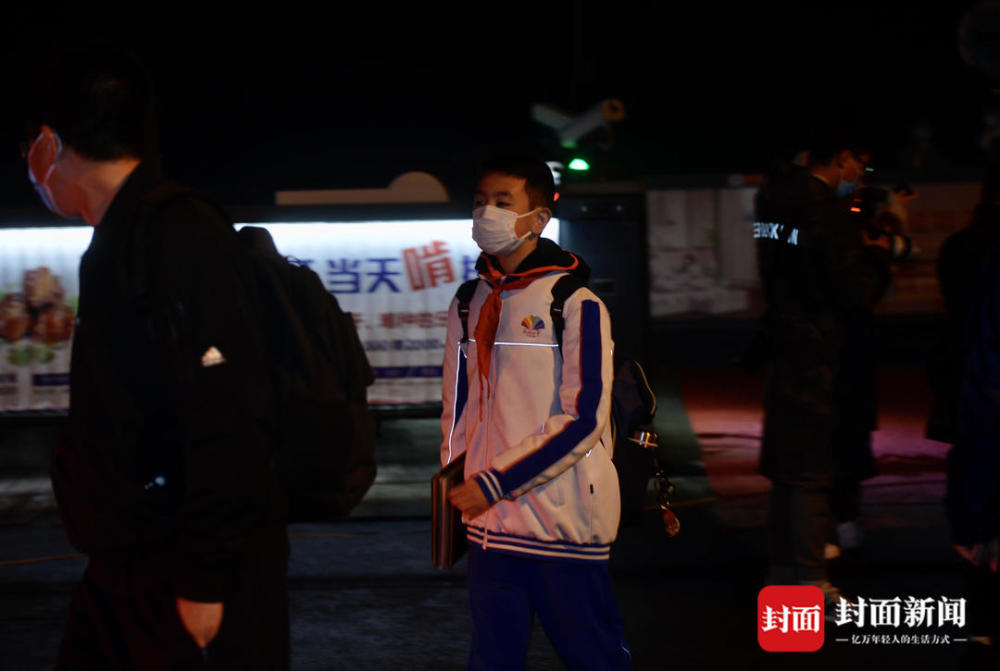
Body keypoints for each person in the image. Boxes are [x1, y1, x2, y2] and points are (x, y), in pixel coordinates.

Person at [25, 45, 289, 669]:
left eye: (30, 143)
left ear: (49, 144)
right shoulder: (124, 236)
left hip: (181, 570)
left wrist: (204, 579)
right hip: (130, 560)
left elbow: (227, 412)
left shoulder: (176, 232)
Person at [441, 155, 631, 670]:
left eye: (503, 202)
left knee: (593, 656)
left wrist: (495, 481)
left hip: (561, 523)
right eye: (480, 201)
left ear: (539, 218)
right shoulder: (468, 301)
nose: (487, 212)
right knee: (491, 658)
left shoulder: (575, 302)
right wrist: (453, 481)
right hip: (489, 524)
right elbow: (457, 407)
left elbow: (585, 419)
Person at [753, 139, 893, 602]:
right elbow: (858, 291)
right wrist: (879, 253)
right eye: (859, 165)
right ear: (842, 159)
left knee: (787, 473)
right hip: (822, 357)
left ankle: (783, 573)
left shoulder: (771, 204)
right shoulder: (827, 216)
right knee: (813, 473)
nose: (859, 176)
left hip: (786, 348)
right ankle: (812, 583)